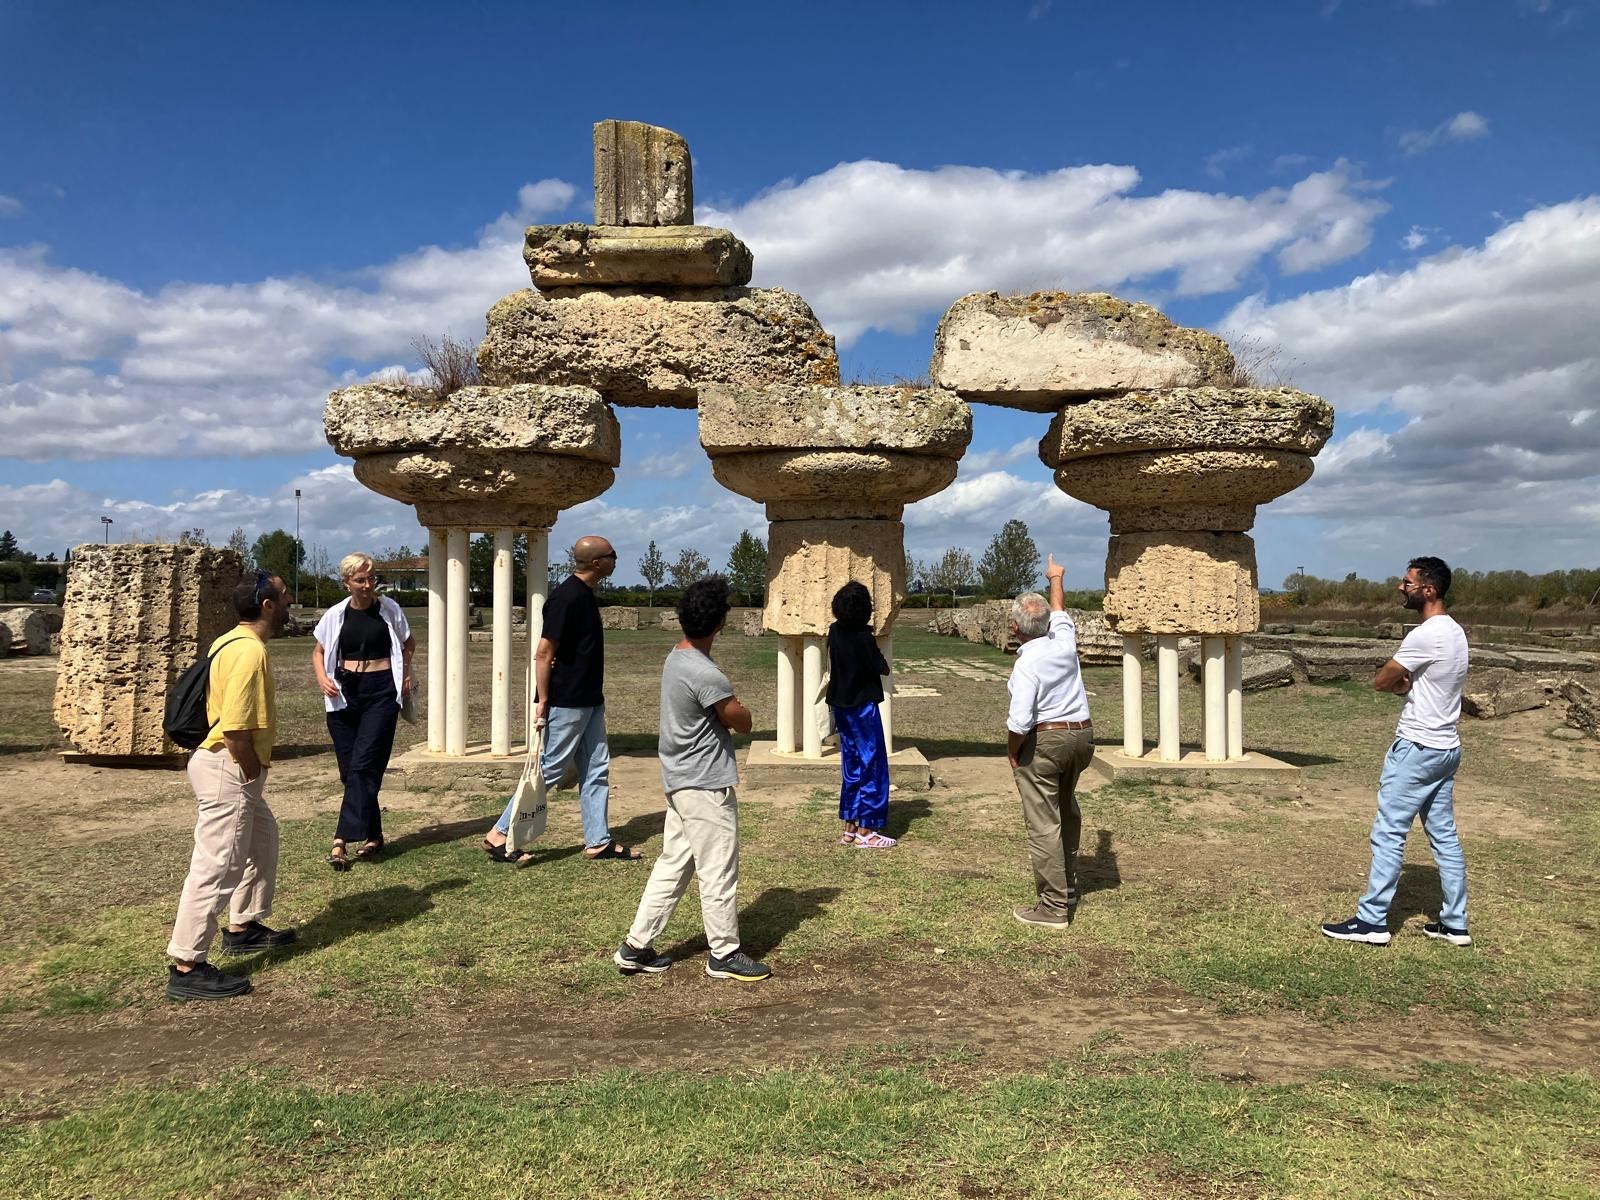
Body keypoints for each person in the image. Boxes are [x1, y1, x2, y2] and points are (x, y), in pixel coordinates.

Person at [612, 576, 771, 982]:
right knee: (717, 869)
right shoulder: (707, 673)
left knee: (675, 863)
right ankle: (724, 953)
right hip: (704, 784)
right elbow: (743, 721)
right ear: (721, 623)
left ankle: (636, 945)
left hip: (681, 779)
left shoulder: (676, 657)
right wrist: (739, 708)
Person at [1323, 556, 1472, 947]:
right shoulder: (1456, 632)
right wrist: (1407, 685)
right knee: (1444, 836)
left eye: (1407, 583)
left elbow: (1382, 679)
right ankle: (1455, 923)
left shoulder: (1425, 635)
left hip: (1417, 748)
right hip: (1446, 747)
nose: (1400, 588)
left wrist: (1399, 685)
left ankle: (1372, 921)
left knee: (1389, 832)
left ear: (1429, 590)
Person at [164, 573, 295, 1001]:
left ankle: (243, 926)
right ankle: (187, 965)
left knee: (261, 841)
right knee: (217, 865)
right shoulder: (248, 652)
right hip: (229, 765)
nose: (290, 598)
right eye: (284, 593)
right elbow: (236, 727)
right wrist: (253, 772)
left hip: (223, 764)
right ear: (268, 605)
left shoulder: (229, 640)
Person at [483, 535, 642, 864]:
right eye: (612, 555)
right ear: (597, 563)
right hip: (568, 702)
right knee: (550, 770)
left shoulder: (585, 595)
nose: (616, 560)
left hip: (590, 700)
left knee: (596, 769)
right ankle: (499, 835)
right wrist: (543, 700)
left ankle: (597, 840)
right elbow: (543, 654)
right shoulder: (566, 597)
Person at [1005, 554, 1094, 929]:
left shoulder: (1026, 663)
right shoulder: (1063, 641)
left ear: (1014, 627)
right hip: (1082, 736)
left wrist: (1012, 753)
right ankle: (1068, 885)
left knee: (1043, 821)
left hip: (1047, 740)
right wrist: (1056, 577)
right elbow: (1058, 607)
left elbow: (1021, 719)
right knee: (1066, 809)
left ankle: (1054, 906)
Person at [311, 552, 415, 870]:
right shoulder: (335, 615)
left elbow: (408, 643)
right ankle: (373, 834)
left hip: (382, 692)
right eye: (360, 580)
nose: (368, 585)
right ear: (347, 583)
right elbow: (318, 651)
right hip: (344, 693)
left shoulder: (389, 609)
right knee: (350, 770)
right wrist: (322, 678)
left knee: (365, 764)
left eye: (371, 578)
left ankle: (341, 839)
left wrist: (406, 673)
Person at [827, 581, 894, 848]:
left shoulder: (834, 632)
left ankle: (850, 825)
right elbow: (882, 667)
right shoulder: (863, 639)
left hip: (841, 706)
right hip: (862, 708)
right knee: (872, 764)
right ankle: (868, 829)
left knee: (851, 764)